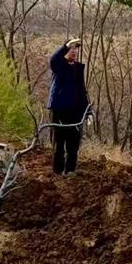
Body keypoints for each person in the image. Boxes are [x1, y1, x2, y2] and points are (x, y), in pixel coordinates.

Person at [48, 37, 89, 175]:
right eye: (71, 48)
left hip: (75, 112)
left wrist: (88, 111)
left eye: (76, 48)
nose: (74, 51)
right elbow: (53, 60)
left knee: (73, 145)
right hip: (60, 110)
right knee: (59, 143)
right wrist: (65, 46)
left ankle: (70, 171)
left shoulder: (78, 68)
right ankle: (57, 172)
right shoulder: (59, 66)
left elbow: (82, 91)